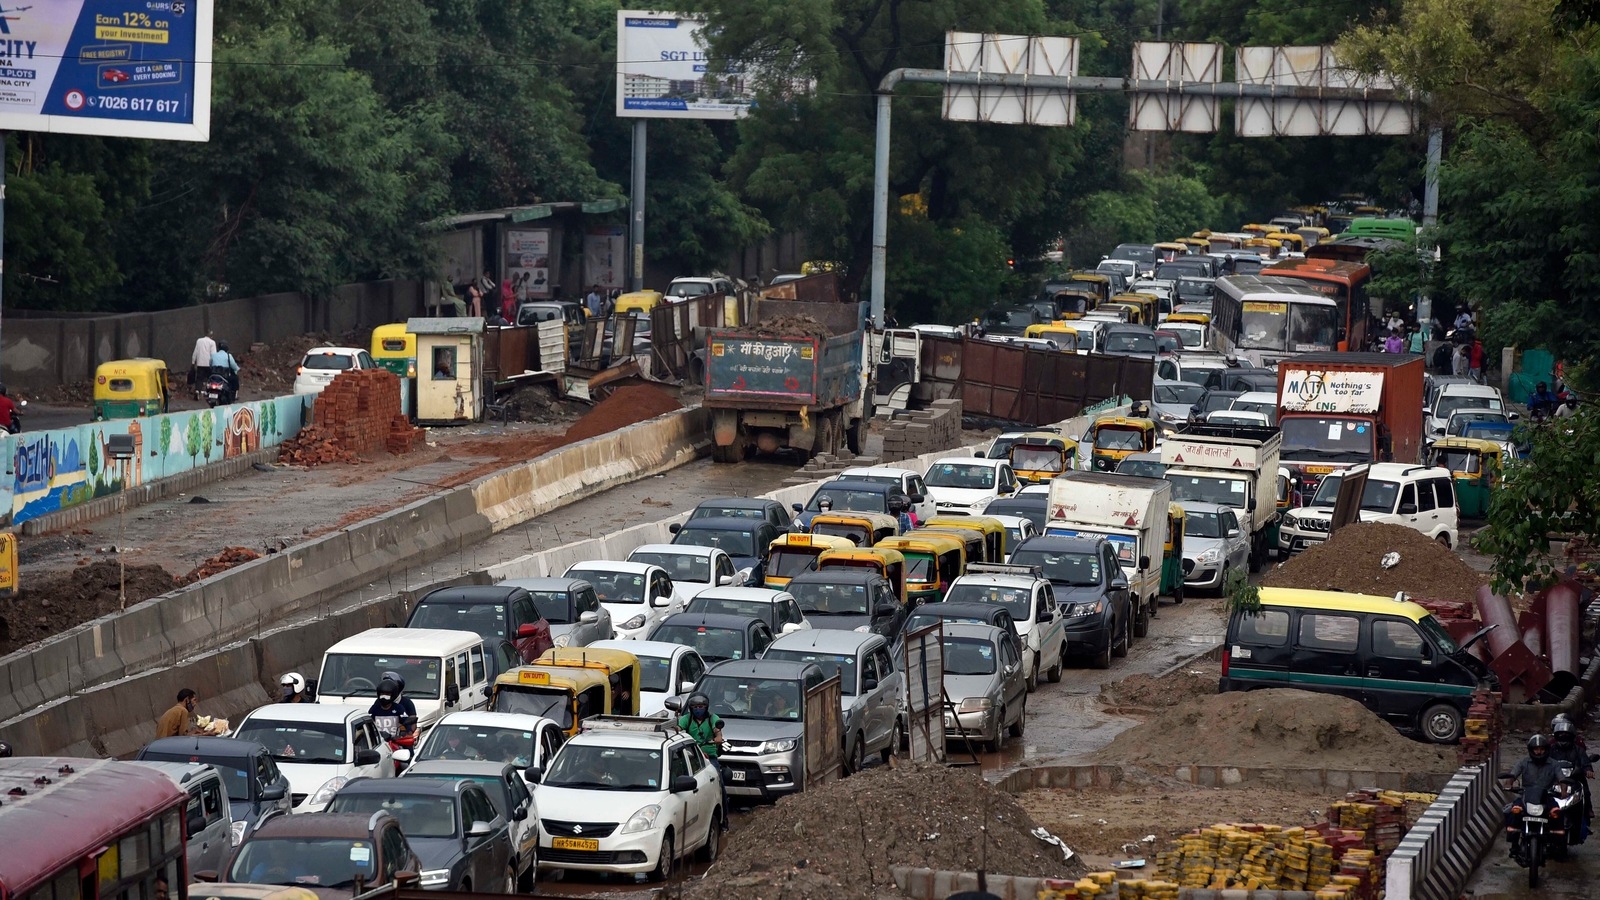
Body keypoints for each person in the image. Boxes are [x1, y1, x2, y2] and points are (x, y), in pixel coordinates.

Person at [677, 693, 729, 830]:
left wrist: (717, 737)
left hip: (709, 758)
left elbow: (718, 734)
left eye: (701, 706)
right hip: (690, 757)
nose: (698, 709)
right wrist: (675, 729)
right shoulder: (686, 719)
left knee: (719, 785)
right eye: (695, 707)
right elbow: (677, 729)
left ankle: (724, 819)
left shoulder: (713, 719)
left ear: (706, 707)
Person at [1504, 734, 1561, 855]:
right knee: (1512, 811)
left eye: (1541, 749)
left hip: (1547, 796)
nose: (1539, 752)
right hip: (1526, 795)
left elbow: (1562, 779)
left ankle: (1557, 844)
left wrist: (1565, 791)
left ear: (1546, 750)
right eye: (1536, 749)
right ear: (1531, 750)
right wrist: (1509, 784)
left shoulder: (1554, 764)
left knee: (1558, 813)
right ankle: (1514, 845)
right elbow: (1513, 774)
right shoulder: (1524, 762)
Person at [1549, 716, 1593, 841]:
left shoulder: (1578, 749)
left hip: (1573, 779)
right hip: (1555, 780)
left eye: (1566, 734)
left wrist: (1588, 770)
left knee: (1584, 790)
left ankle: (1587, 811)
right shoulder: (1551, 748)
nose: (1563, 736)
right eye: (1561, 734)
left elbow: (1585, 762)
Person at [368, 676, 418, 741]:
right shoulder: (375, 708)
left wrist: (408, 733)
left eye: (387, 694)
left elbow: (407, 722)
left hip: (395, 741)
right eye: (382, 693)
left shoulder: (399, 708)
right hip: (379, 742)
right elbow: (368, 722)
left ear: (393, 695)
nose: (384, 696)